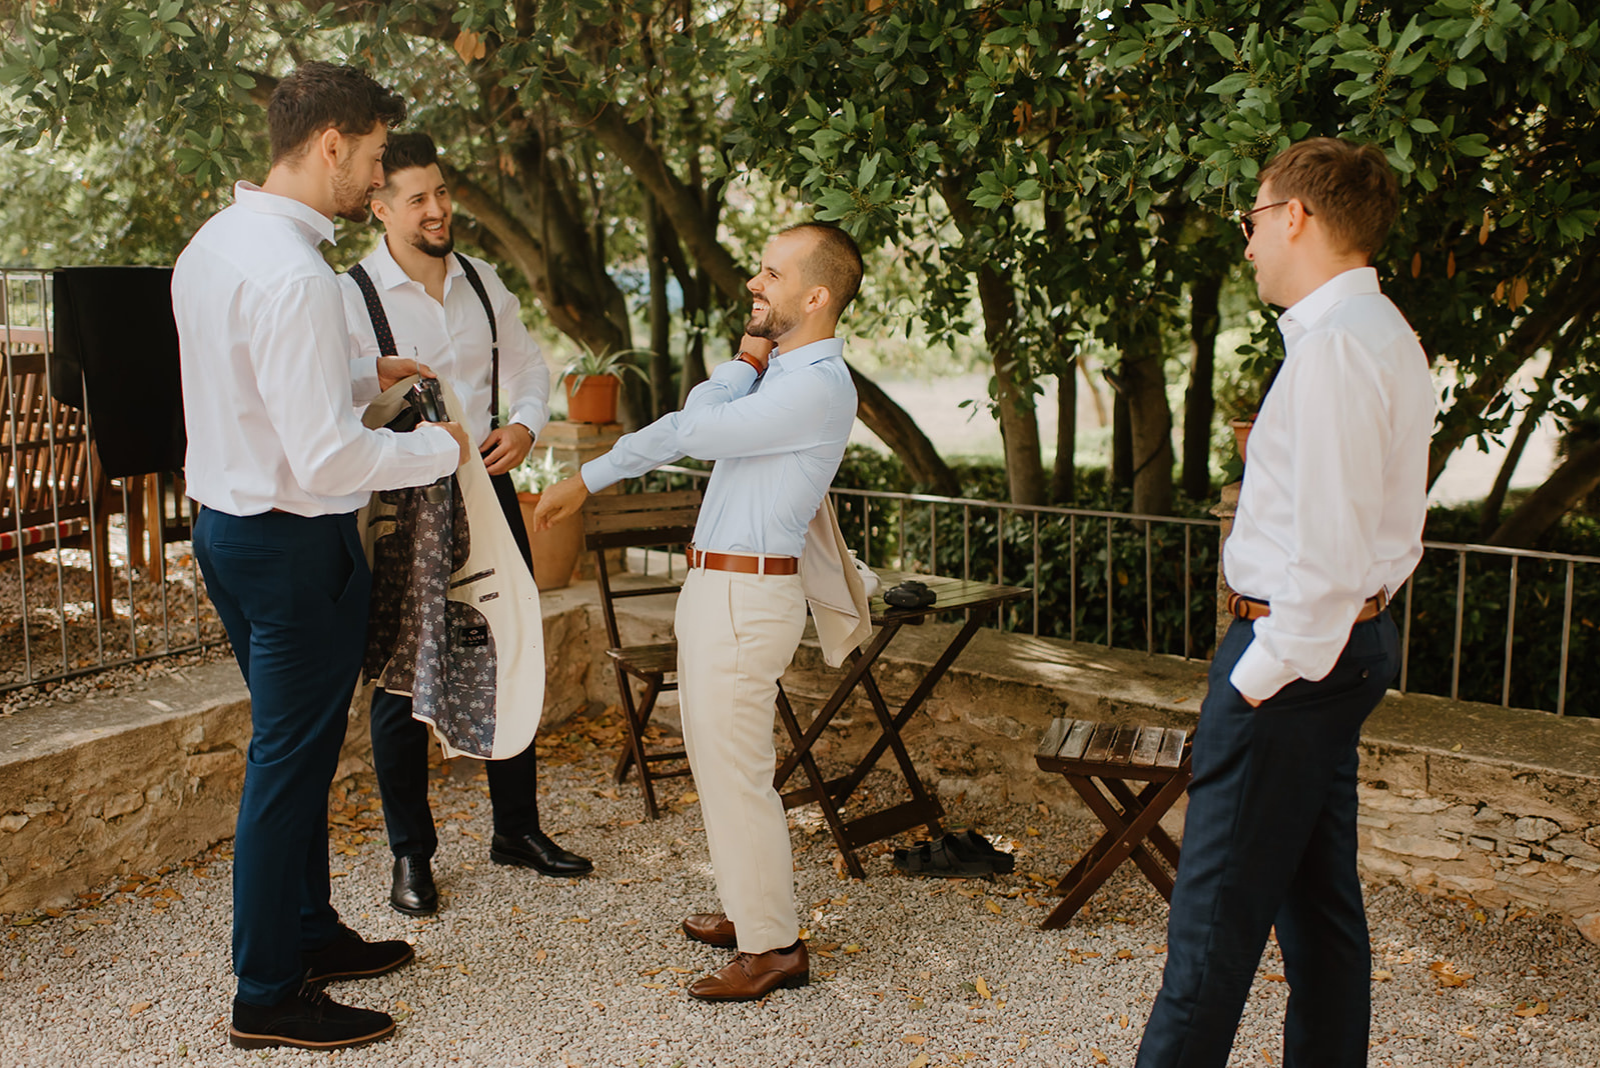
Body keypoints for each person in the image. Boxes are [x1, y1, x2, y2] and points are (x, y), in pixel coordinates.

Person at [172, 63, 471, 1051]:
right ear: (333, 144)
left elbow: (257, 386)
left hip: (227, 531)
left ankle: (309, 931)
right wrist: (441, 448)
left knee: (285, 755)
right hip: (294, 547)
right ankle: (266, 993)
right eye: (380, 157)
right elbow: (328, 453)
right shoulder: (298, 274)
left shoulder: (217, 246)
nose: (380, 178)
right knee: (286, 768)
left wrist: (357, 371)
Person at [1135, 137, 1435, 1067]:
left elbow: (1332, 552)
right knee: (1317, 908)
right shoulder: (1375, 332)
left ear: (1295, 216)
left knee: (1212, 924)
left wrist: (1258, 678)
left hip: (1297, 657)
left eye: (1254, 218)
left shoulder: (1340, 350)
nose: (1250, 240)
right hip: (1336, 653)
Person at [533, 223, 864, 1002]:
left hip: (746, 599)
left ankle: (774, 950)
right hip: (721, 591)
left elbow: (692, 429)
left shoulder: (816, 386)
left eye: (771, 275)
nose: (755, 284)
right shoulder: (778, 373)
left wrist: (587, 481)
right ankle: (755, 914)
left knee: (737, 774)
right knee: (721, 768)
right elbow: (707, 404)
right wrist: (747, 357)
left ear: (817, 296)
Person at [338, 132, 592, 918]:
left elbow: (528, 367)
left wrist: (522, 425)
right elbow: (339, 405)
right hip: (405, 519)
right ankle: (411, 857)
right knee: (401, 684)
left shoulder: (483, 282)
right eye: (418, 197)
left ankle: (517, 830)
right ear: (379, 207)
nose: (439, 208)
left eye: (442, 192)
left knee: (509, 653)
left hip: (488, 505)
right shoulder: (350, 296)